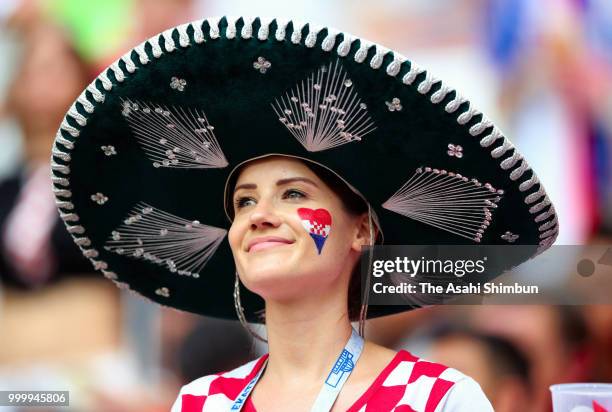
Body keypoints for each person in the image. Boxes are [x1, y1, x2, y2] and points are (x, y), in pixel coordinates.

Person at [49, 16, 559, 411]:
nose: (259, 215)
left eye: (293, 194)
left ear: (362, 228)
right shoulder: (202, 402)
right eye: (244, 201)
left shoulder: (440, 398)